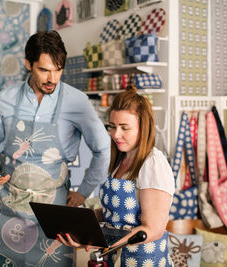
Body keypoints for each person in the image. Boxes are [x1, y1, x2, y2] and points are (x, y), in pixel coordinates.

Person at [0, 30, 111, 266]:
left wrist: (84, 190)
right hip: (8, 209)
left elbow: (103, 148)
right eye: (44, 70)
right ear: (28, 64)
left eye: (58, 69)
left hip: (54, 217)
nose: (52, 78)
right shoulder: (6, 98)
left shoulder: (77, 102)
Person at [57, 86, 175, 266]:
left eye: (124, 128)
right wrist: (79, 224)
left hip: (141, 261)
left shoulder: (153, 164)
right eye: (112, 127)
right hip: (115, 259)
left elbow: (152, 229)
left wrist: (96, 242)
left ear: (143, 128)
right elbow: (116, 213)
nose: (115, 134)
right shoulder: (120, 162)